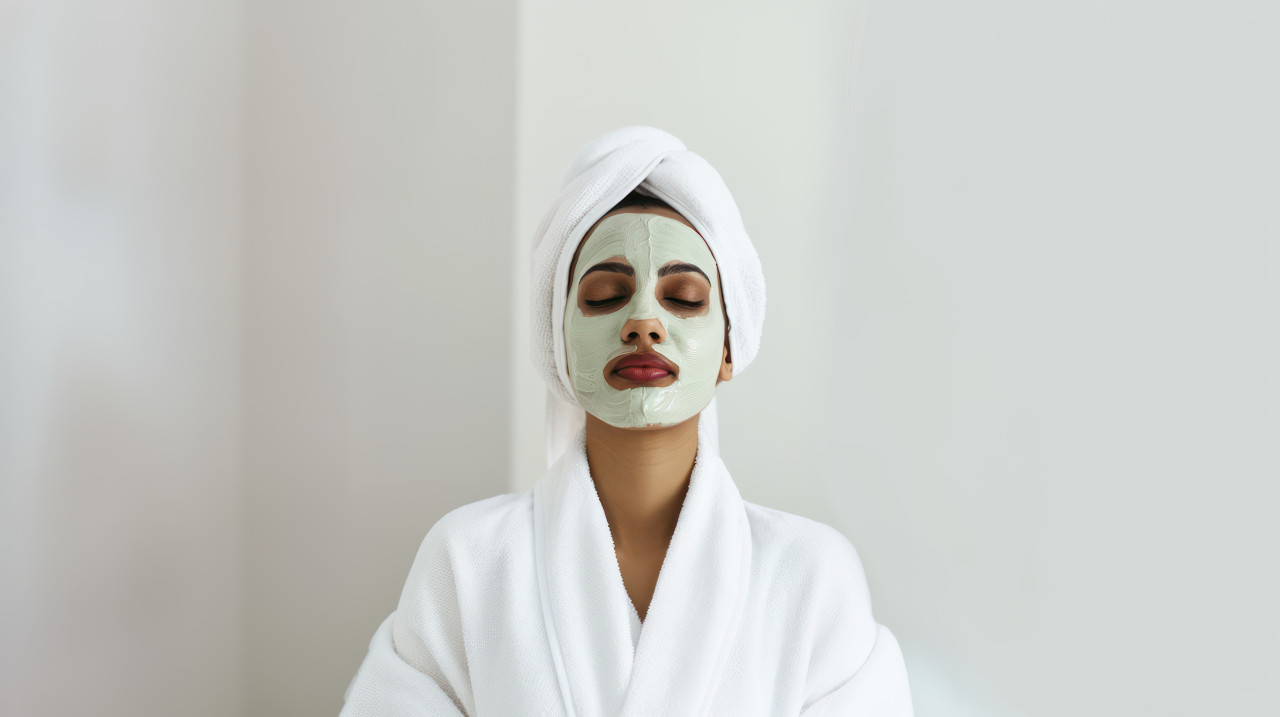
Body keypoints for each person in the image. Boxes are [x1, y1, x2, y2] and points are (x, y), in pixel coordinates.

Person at [340, 127, 913, 716]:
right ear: (560, 342)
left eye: (685, 298)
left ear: (728, 346)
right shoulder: (468, 563)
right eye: (606, 294)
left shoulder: (811, 578)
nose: (644, 323)